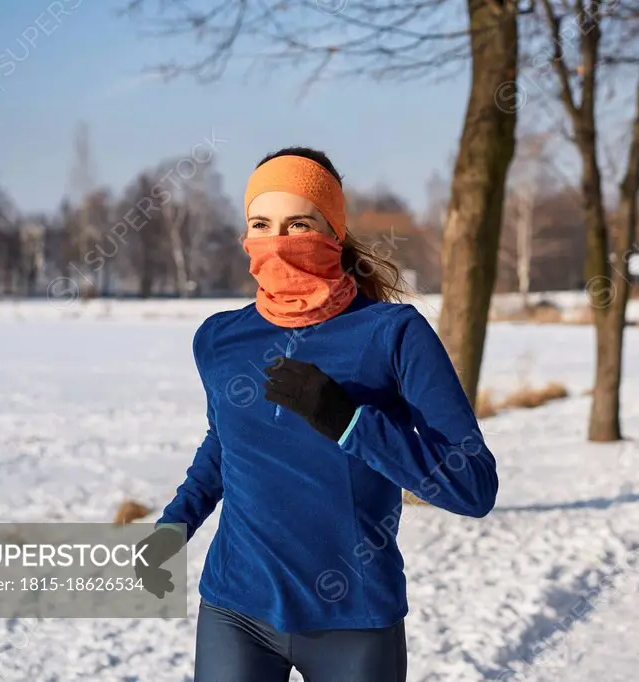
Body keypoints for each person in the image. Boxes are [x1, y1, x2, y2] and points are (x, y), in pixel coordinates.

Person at [135, 146, 498, 682]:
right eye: (261, 223)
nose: (277, 242)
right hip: (236, 609)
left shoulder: (393, 334)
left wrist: (350, 421)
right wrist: (174, 524)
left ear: (333, 233)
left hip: (353, 621)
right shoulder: (219, 339)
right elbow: (225, 444)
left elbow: (472, 486)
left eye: (297, 223)